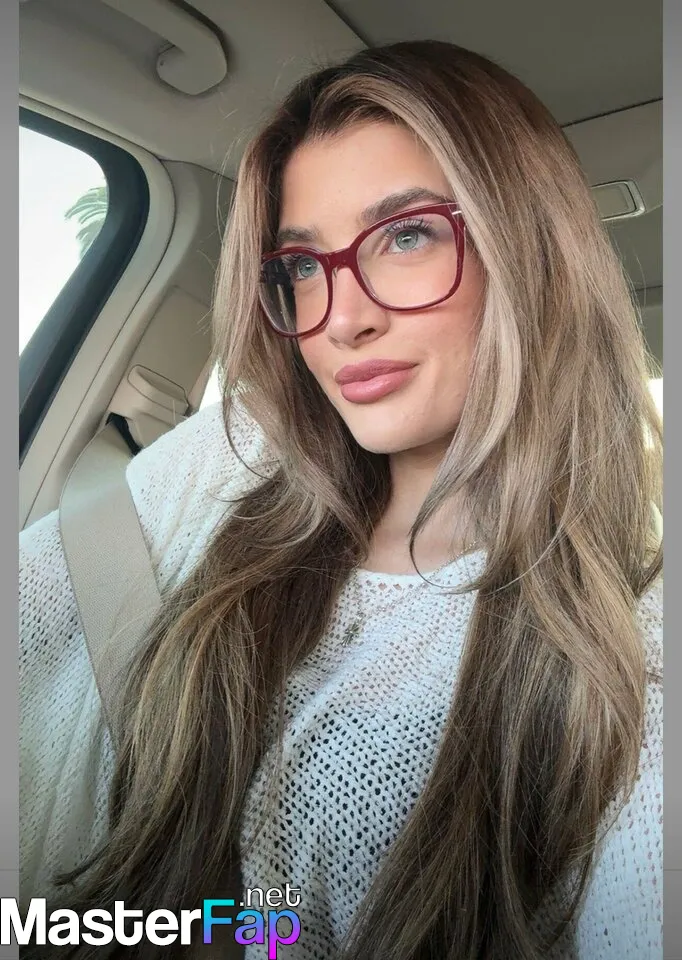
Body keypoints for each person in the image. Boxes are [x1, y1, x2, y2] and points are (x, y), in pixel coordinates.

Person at [20, 39, 662, 960]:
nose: (342, 318)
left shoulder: (633, 655)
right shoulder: (237, 457)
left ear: (532, 252)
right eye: (301, 267)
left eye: (407, 236)